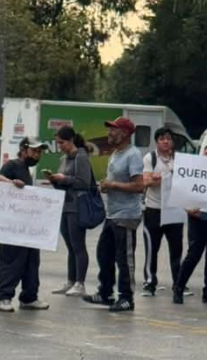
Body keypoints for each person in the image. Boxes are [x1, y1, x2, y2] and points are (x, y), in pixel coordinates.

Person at [83, 117, 143, 313]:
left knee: (124, 259)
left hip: (126, 215)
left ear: (124, 133)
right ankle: (106, 292)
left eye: (113, 129)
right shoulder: (115, 153)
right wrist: (107, 185)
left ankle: (126, 298)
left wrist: (113, 185)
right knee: (104, 253)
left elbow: (138, 186)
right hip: (112, 213)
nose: (109, 132)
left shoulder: (133, 155)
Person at [0, 138, 50, 312]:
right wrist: (12, 183)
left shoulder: (26, 169)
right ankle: (3, 297)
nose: (36, 154)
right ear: (23, 150)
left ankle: (29, 297)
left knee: (32, 262)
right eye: (33, 151)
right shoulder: (13, 165)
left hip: (27, 227)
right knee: (10, 261)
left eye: (39, 152)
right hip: (12, 227)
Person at [174, 145, 207, 304]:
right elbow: (182, 192)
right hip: (198, 219)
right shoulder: (194, 171)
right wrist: (188, 210)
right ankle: (179, 287)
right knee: (194, 255)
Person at [138, 126, 183, 297]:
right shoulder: (150, 158)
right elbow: (146, 181)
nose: (165, 141)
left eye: (168, 138)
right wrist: (165, 177)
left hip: (174, 210)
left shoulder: (179, 159)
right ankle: (150, 283)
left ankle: (179, 283)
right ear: (157, 142)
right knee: (152, 248)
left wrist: (162, 177)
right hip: (153, 210)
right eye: (162, 139)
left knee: (176, 248)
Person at [47, 126, 92, 297]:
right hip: (64, 206)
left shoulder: (81, 156)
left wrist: (64, 179)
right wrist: (54, 180)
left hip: (77, 207)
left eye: (62, 142)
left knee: (78, 245)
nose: (60, 146)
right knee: (70, 246)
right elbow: (63, 181)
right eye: (58, 143)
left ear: (71, 140)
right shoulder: (64, 158)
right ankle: (71, 280)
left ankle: (80, 283)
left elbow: (84, 182)